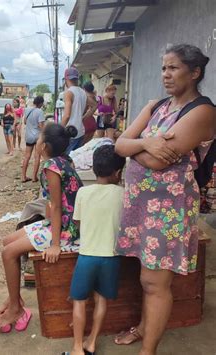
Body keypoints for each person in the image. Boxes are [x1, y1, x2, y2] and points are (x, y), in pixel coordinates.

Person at [114, 44, 215, 355]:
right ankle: (145, 328)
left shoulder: (203, 111)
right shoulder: (157, 106)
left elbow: (159, 162)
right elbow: (119, 144)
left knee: (155, 283)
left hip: (168, 214)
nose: (166, 75)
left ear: (195, 72)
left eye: (174, 68)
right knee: (147, 279)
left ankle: (149, 350)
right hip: (142, 210)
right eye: (163, 68)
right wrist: (148, 143)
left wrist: (138, 149)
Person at [0, 123, 82, 332]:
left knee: (8, 253)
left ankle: (16, 308)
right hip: (61, 222)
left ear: (44, 146)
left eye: (40, 139)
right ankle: (14, 297)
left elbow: (58, 206)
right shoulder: (65, 160)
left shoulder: (50, 167)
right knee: (7, 242)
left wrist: (56, 245)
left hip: (65, 230)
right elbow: (56, 205)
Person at [65, 145, 126, 355]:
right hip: (111, 257)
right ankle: (91, 342)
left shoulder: (83, 192)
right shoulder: (123, 194)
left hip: (87, 256)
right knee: (102, 300)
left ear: (93, 168)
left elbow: (78, 222)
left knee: (79, 302)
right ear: (118, 173)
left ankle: (76, 347)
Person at [61, 68, 88, 155]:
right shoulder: (83, 92)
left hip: (70, 132)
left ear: (66, 79)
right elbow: (94, 105)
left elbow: (67, 115)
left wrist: (59, 129)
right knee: (76, 159)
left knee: (65, 160)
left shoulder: (69, 92)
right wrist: (83, 117)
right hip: (80, 131)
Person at [22, 96, 46, 183]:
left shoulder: (27, 109)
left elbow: (24, 121)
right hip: (37, 136)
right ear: (40, 103)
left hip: (28, 136)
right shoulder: (40, 111)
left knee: (27, 156)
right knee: (37, 157)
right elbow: (41, 125)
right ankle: (34, 177)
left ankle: (23, 177)